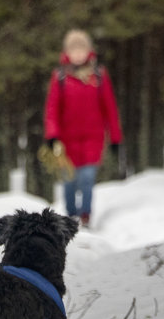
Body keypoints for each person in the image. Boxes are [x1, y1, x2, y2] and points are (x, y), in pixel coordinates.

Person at [43, 29, 124, 228]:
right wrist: (52, 135)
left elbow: (110, 108)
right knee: (69, 181)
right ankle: (71, 217)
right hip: (67, 141)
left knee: (87, 178)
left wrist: (115, 138)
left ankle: (85, 216)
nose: (78, 54)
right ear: (67, 53)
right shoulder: (60, 77)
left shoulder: (99, 76)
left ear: (88, 51)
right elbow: (52, 108)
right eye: (74, 50)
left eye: (81, 49)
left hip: (93, 138)